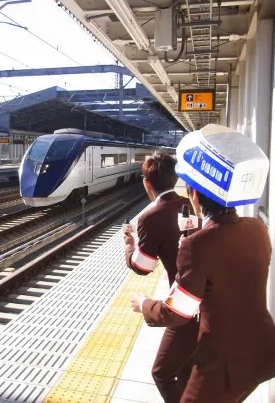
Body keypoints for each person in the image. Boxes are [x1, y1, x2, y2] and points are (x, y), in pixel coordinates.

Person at [130, 125, 275, 402]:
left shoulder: (197, 245)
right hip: (261, 352)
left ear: (194, 195)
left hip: (222, 366)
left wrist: (144, 304)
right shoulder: (257, 228)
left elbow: (177, 313)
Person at [123, 153, 198, 403]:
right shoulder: (190, 203)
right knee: (186, 366)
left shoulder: (150, 217)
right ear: (174, 178)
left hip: (184, 303)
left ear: (147, 183)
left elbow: (143, 267)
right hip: (205, 297)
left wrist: (129, 246)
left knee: (162, 372)